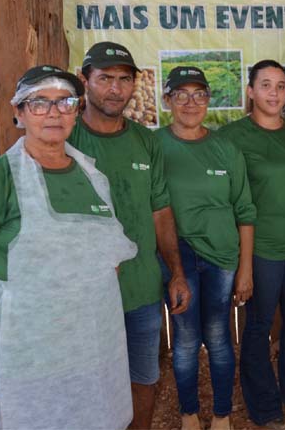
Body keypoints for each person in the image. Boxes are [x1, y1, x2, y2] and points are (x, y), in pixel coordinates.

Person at [0, 66, 136, 429]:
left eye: (65, 102)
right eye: (39, 102)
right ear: (19, 112)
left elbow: (111, 257)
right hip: (28, 358)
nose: (54, 112)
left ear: (77, 111)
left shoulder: (93, 177)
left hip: (95, 351)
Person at [69, 42, 191, 429]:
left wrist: (176, 271)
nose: (115, 89)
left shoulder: (145, 141)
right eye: (105, 78)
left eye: (124, 79)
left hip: (141, 289)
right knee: (89, 385)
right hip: (84, 297)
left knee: (144, 379)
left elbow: (160, 211)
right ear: (84, 80)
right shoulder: (65, 140)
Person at [219, 60, 285, 429]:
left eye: (281, 86)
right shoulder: (232, 137)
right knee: (259, 326)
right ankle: (264, 404)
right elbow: (229, 200)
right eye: (265, 85)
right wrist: (241, 262)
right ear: (250, 91)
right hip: (260, 250)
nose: (274, 93)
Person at [156, 66, 257, 430]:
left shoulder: (224, 148)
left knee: (218, 336)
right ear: (167, 100)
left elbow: (245, 210)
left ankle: (221, 415)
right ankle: (188, 415)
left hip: (222, 257)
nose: (190, 102)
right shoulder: (155, 146)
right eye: (180, 94)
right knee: (184, 339)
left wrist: (245, 268)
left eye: (199, 94)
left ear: (208, 100)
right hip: (176, 258)